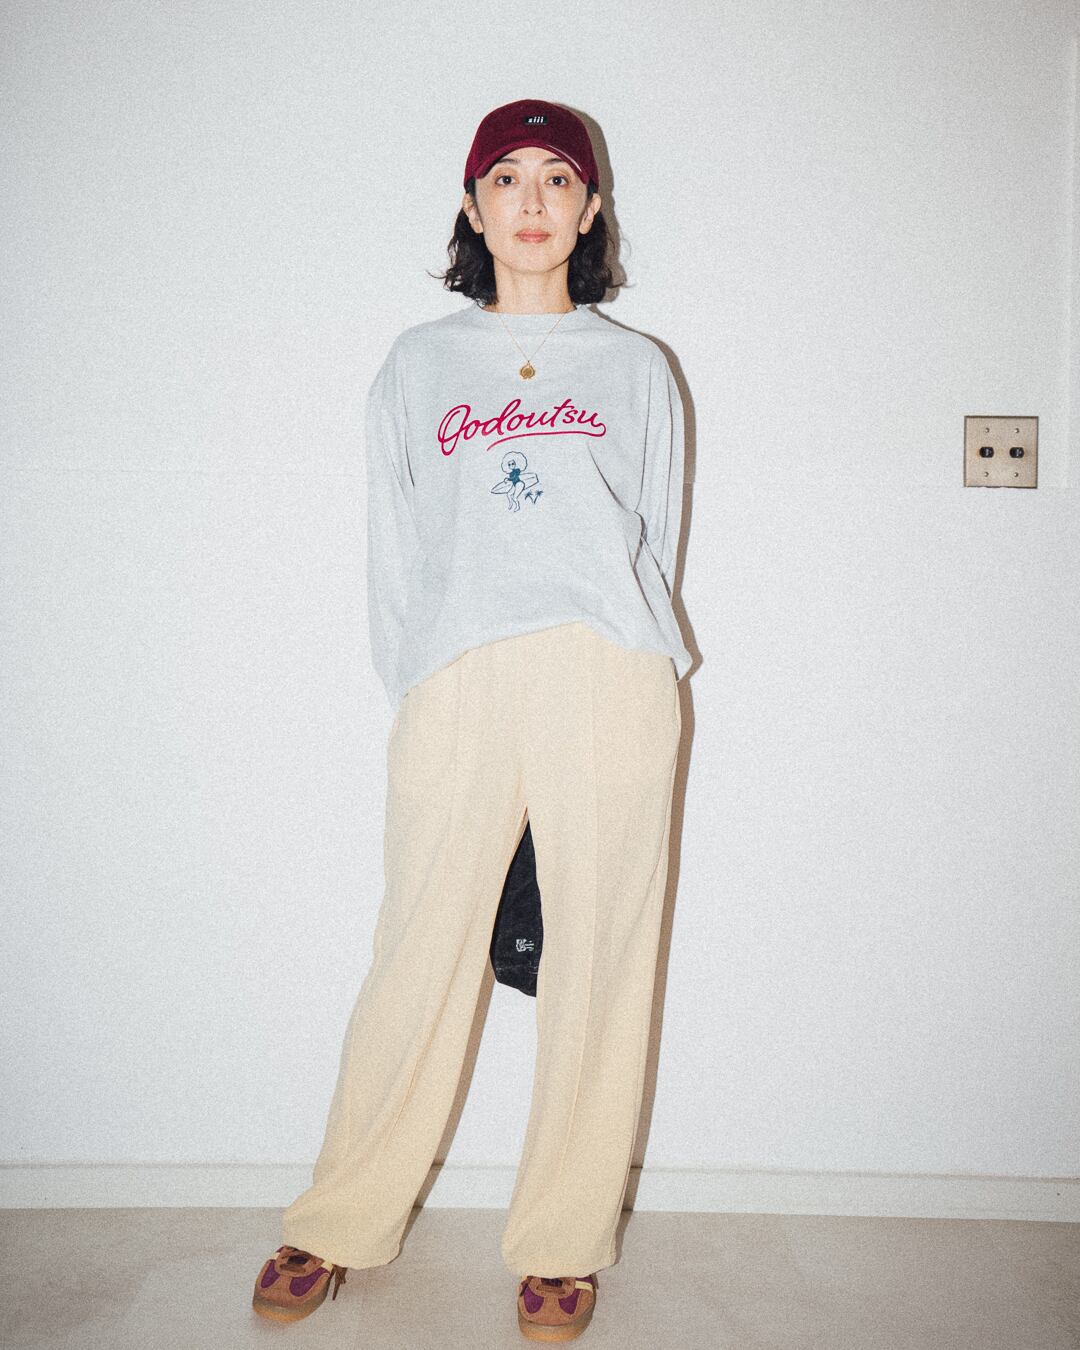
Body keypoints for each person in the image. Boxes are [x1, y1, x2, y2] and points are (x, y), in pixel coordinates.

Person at [251, 98, 692, 1341]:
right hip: (459, 672)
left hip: (606, 673)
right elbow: (396, 544)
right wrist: (422, 678)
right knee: (419, 948)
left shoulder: (634, 368)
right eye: (508, 177)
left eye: (559, 178)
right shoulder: (419, 363)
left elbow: (651, 538)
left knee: (601, 959)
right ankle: (337, 1217)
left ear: (591, 210)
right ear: (473, 205)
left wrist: (624, 649)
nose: (534, 200)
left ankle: (562, 1244)